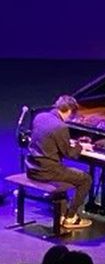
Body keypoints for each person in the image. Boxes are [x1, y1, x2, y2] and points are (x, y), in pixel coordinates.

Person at [25, 95, 94, 228]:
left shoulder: (40, 116)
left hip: (32, 167)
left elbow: (50, 142)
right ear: (68, 110)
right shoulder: (60, 127)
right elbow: (70, 154)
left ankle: (62, 211)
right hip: (47, 172)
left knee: (67, 172)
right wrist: (80, 146)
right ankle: (70, 217)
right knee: (86, 179)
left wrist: (72, 143)